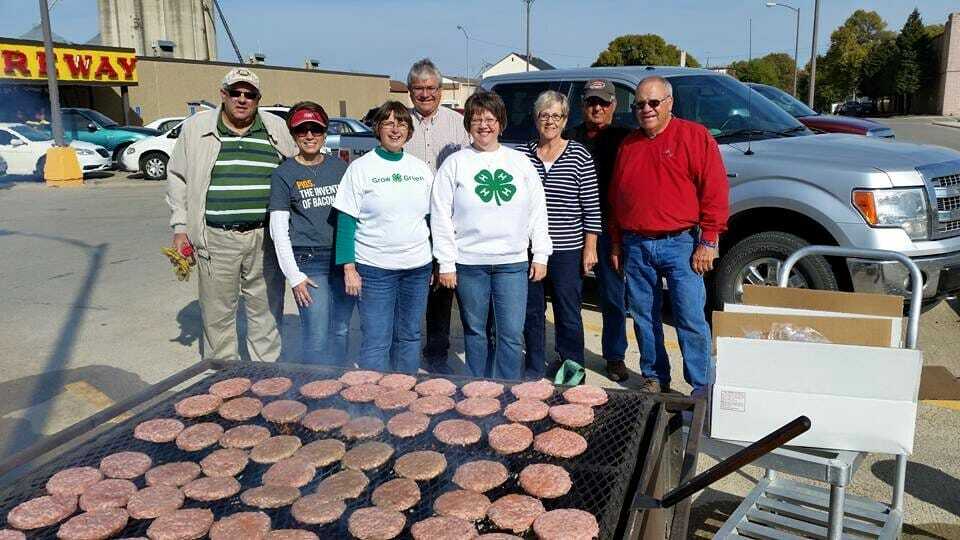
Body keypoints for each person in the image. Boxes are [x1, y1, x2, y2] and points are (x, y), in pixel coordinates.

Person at [608, 76, 729, 393]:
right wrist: (618, 242)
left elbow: (714, 191)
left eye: (653, 102)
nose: (645, 109)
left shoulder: (694, 137)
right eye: (639, 104)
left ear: (669, 103)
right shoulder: (629, 145)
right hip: (636, 244)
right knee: (643, 317)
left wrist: (708, 240)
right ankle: (654, 376)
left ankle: (701, 386)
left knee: (690, 319)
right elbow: (617, 198)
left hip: (681, 245)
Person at [167, 67, 295, 363]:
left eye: (249, 94)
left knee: (266, 310)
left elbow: (296, 169)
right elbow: (177, 178)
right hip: (216, 236)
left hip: (266, 239)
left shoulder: (276, 128)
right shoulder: (197, 128)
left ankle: (265, 378)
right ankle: (222, 381)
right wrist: (180, 227)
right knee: (218, 313)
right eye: (235, 92)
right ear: (222, 95)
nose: (242, 99)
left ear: (258, 99)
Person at [431, 91, 552, 380]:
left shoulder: (520, 162)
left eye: (490, 119)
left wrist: (541, 254)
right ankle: (477, 388)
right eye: (476, 119)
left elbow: (538, 211)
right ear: (468, 124)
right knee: (475, 332)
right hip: (470, 262)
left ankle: (506, 386)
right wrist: (446, 263)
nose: (484, 125)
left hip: (512, 262)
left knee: (511, 332)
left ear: (501, 122)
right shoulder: (455, 163)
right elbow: (440, 215)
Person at [333, 101, 434, 373]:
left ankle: (405, 396)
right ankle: (370, 405)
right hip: (375, 270)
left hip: (417, 268)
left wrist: (433, 261)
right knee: (377, 340)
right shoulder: (361, 168)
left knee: (410, 336)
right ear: (377, 128)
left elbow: (430, 219)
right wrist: (348, 268)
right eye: (388, 123)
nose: (395, 129)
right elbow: (346, 219)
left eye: (401, 123)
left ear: (409, 131)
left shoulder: (421, 170)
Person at [519, 90, 601, 380]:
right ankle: (534, 365)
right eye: (544, 115)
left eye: (556, 116)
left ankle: (571, 369)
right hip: (530, 249)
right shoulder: (522, 155)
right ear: (536, 118)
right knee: (532, 310)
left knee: (568, 312)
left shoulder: (579, 155)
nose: (550, 121)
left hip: (567, 249)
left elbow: (591, 207)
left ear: (565, 120)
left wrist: (590, 248)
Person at [268, 101, 354, 365]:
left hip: (341, 259)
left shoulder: (340, 168)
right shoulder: (284, 173)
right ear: (293, 134)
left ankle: (337, 390)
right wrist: (294, 277)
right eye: (302, 130)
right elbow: (278, 230)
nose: (309, 136)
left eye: (315, 130)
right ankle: (315, 390)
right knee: (317, 333)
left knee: (340, 330)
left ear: (324, 133)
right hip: (308, 259)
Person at [404, 58, 472, 374]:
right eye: (419, 89)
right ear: (410, 91)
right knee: (418, 288)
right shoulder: (400, 122)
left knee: (446, 290)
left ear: (441, 91)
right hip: (413, 218)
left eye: (432, 88)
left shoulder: (459, 124)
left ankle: (438, 354)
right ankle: (405, 349)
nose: (426, 94)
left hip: (453, 218)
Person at [564, 79, 634, 382]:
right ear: (582, 105)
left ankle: (615, 356)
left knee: (613, 297)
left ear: (614, 106)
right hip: (571, 227)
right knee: (569, 298)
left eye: (603, 102)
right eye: (592, 102)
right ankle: (570, 361)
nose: (597, 107)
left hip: (609, 230)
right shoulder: (568, 136)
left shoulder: (625, 139)